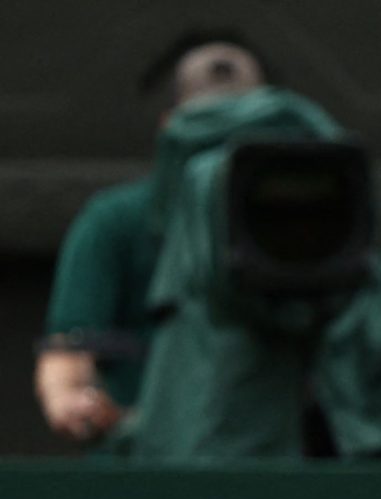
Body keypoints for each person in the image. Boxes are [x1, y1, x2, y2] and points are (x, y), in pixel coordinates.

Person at [33, 39, 264, 445]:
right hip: (140, 468)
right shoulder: (113, 222)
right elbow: (67, 358)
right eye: (204, 125)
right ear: (169, 126)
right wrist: (74, 402)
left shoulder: (303, 225)